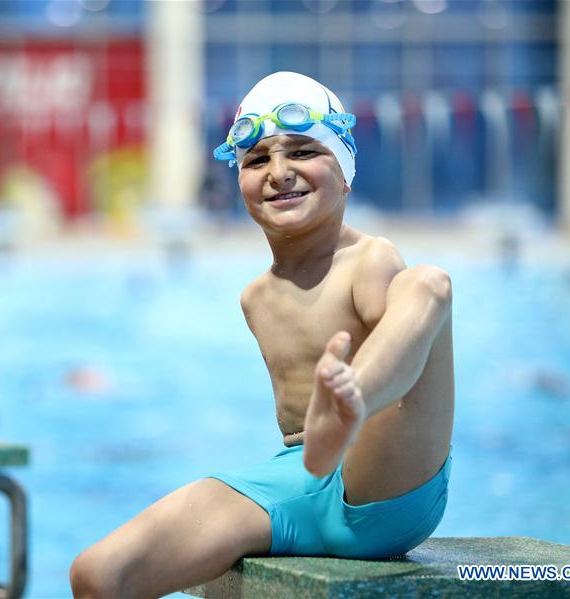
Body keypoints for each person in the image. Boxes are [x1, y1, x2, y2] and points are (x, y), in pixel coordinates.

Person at [69, 72, 455, 598]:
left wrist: (349, 401)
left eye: (303, 151)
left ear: (345, 172)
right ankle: (335, 419)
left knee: (428, 284)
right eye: (256, 160)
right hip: (299, 480)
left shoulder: (371, 259)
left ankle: (350, 401)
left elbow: (413, 354)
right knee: (98, 575)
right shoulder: (255, 298)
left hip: (388, 482)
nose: (279, 172)